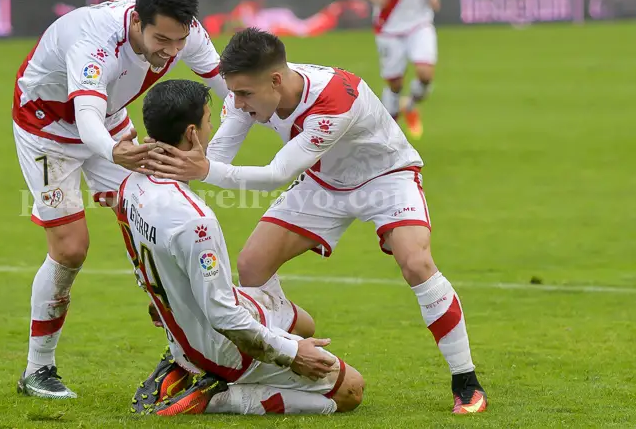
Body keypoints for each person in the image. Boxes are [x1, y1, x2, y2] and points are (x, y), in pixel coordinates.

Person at [145, 28, 487, 414]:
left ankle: (466, 382)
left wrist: (203, 169)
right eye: (234, 92)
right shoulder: (247, 93)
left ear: (275, 81)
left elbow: (275, 174)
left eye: (244, 94)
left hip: (386, 178)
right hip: (323, 182)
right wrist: (165, 172)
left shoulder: (334, 98)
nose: (237, 103)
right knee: (252, 264)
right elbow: (216, 158)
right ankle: (259, 362)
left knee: (416, 263)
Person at [12, 0, 229, 399]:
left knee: (163, 213)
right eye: (161, 40)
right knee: (70, 249)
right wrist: (114, 151)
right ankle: (38, 369)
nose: (171, 51)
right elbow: (86, 116)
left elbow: (231, 91)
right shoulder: (94, 40)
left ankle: (184, 353)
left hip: (109, 122)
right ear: (136, 22)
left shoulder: (184, 31)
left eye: (179, 41)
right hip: (48, 129)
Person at [120, 79, 364, 416]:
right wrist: (293, 354)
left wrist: (165, 304)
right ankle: (216, 395)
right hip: (222, 346)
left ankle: (186, 360)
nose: (211, 128)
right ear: (192, 133)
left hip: (186, 323)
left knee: (304, 324)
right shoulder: (196, 221)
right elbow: (224, 316)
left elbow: (142, 264)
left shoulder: (130, 185)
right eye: (209, 121)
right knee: (351, 391)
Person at [355, 0, 440, 140]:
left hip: (419, 20)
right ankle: (389, 133)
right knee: (395, 83)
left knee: (425, 73)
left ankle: (409, 105)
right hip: (388, 23)